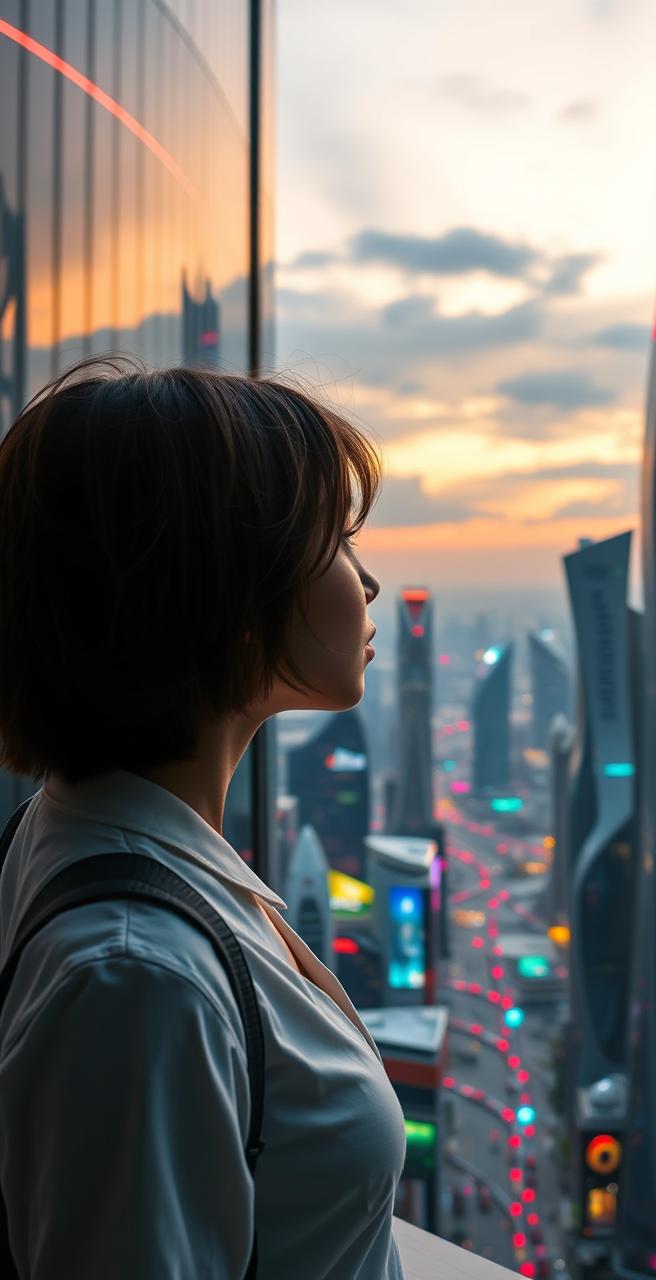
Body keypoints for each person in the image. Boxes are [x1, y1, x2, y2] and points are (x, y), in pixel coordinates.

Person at [0, 355, 406, 1278]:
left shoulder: (75, 833)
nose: (368, 580)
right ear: (233, 600)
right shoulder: (138, 977)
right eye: (337, 542)